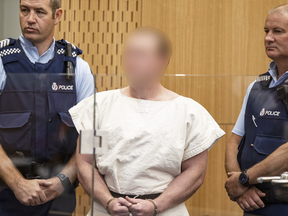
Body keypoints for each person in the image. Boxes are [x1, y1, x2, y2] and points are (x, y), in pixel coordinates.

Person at [69, 27, 225, 216]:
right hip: (107, 208)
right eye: (128, 54)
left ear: (162, 60)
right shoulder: (99, 107)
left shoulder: (188, 112)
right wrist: (108, 201)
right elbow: (86, 162)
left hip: (165, 209)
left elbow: (194, 172)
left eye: (140, 54)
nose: (131, 61)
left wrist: (156, 205)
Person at [0, 0, 93, 215]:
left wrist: (63, 180)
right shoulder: (2, 61)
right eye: (25, 10)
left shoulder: (77, 67)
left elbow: (91, 136)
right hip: (5, 191)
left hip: (58, 196)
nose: (30, 18)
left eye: (39, 12)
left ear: (57, 16)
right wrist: (17, 183)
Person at [225, 4, 288, 216]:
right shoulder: (256, 85)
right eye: (266, 31)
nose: (268, 38)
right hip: (253, 203)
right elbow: (235, 139)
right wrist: (238, 186)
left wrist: (243, 179)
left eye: (278, 31)